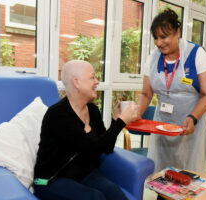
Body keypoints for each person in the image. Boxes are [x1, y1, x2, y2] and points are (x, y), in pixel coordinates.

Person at [33, 60, 139, 200]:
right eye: (92, 78)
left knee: (115, 193)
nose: (97, 82)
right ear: (76, 82)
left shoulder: (93, 111)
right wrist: (121, 122)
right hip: (51, 179)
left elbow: (106, 148)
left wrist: (115, 120)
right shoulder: (58, 114)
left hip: (83, 174)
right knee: (95, 198)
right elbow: (91, 148)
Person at [138, 8, 206, 175]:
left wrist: (193, 117)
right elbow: (146, 94)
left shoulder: (196, 54)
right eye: (156, 38)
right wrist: (136, 113)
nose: (159, 43)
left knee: (187, 169)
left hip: (190, 123)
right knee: (162, 171)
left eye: (164, 37)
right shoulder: (153, 58)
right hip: (163, 122)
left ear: (177, 32)